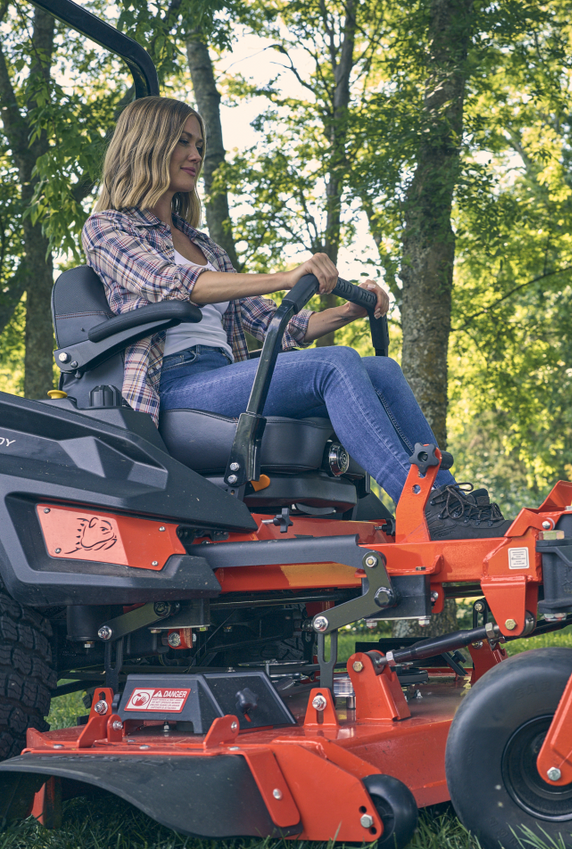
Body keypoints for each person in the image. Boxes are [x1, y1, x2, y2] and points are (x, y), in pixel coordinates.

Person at [81, 96, 504, 540]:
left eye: (201, 146)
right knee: (334, 363)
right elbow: (170, 283)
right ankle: (421, 506)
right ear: (147, 144)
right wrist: (285, 277)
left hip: (225, 377)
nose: (195, 156)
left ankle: (448, 503)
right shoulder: (108, 229)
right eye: (183, 142)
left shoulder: (207, 248)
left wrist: (348, 311)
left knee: (379, 368)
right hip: (174, 385)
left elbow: (279, 327)